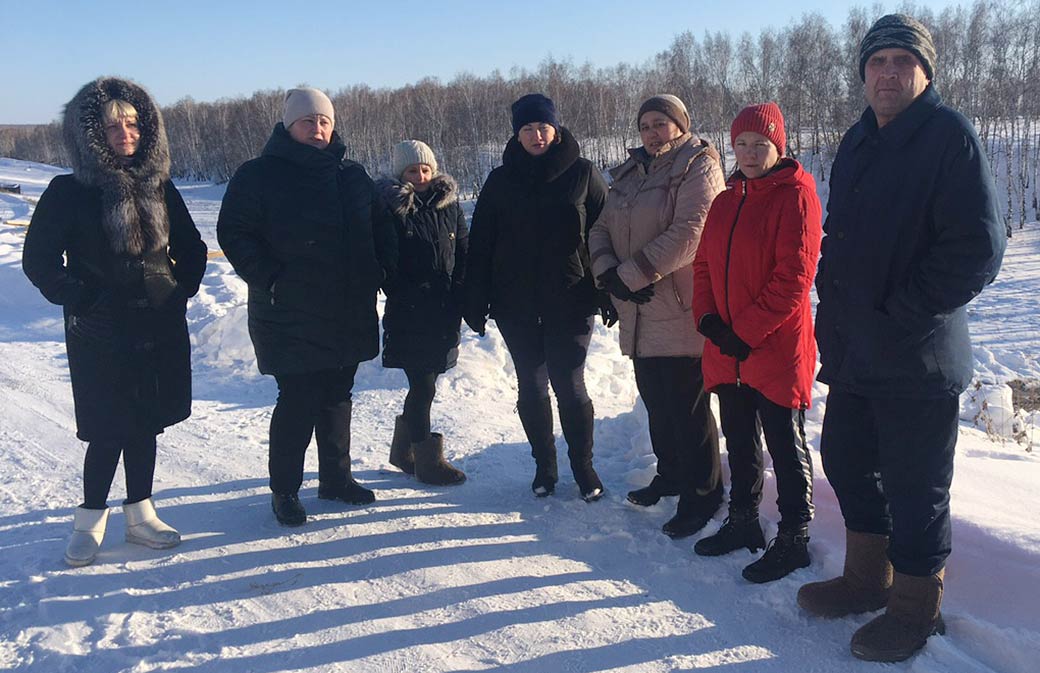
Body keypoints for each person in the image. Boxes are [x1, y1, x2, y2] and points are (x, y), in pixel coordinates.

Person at [797, 15, 1006, 662]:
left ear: (925, 71)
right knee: (848, 462)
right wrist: (833, 316)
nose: (887, 73)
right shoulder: (860, 139)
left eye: (901, 62)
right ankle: (865, 578)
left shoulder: (949, 138)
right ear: (863, 73)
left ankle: (916, 609)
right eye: (877, 62)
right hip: (856, 352)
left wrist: (899, 315)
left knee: (918, 488)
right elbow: (844, 239)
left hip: (918, 355)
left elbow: (976, 249)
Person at [22, 77, 208, 566]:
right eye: (113, 124)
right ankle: (88, 520)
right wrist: (81, 300)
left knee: (147, 423)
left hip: (157, 325)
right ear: (91, 134)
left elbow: (193, 249)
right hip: (100, 328)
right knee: (107, 428)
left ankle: (141, 515)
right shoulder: (68, 191)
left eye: (133, 122)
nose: (125, 131)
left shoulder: (159, 185)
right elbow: (39, 260)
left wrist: (178, 292)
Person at [217, 88, 397, 527]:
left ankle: (336, 479)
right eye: (307, 121)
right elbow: (233, 233)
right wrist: (272, 277)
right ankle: (285, 491)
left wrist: (383, 272)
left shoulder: (352, 176)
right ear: (288, 126)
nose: (317, 129)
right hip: (288, 310)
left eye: (324, 121)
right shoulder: (258, 175)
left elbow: (381, 231)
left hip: (348, 307)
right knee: (297, 400)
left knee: (337, 396)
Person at [691, 102, 822, 582]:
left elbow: (794, 277)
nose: (748, 153)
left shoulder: (797, 195)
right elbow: (703, 263)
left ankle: (795, 538)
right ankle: (743, 520)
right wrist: (707, 317)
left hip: (774, 349)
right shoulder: (726, 199)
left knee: (786, 443)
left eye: (759, 144)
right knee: (740, 439)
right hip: (728, 348)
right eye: (741, 144)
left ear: (777, 146)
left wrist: (744, 332)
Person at [589, 94, 725, 537]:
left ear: (680, 125)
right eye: (645, 125)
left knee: (688, 404)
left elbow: (693, 229)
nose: (652, 132)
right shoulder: (630, 173)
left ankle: (703, 494)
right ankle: (670, 474)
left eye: (660, 123)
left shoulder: (698, 162)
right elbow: (600, 227)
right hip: (640, 307)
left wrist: (633, 272)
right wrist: (608, 271)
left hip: (681, 305)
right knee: (657, 400)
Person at [464, 93, 610, 502]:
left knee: (570, 383)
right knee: (531, 386)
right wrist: (474, 298)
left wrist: (610, 289)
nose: (536, 135)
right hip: (516, 303)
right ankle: (544, 468)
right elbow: (481, 244)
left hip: (572, 298)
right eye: (526, 128)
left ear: (556, 128)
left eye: (542, 126)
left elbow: (607, 232)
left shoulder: (583, 174)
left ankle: (584, 467)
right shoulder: (499, 180)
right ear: (517, 134)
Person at [377, 140, 467, 486]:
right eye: (412, 171)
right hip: (410, 312)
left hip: (444, 310)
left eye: (425, 169)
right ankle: (426, 460)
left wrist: (463, 291)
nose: (421, 175)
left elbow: (464, 249)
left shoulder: (449, 205)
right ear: (402, 175)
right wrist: (401, 289)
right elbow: (385, 258)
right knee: (423, 385)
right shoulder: (392, 208)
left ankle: (404, 451)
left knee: (429, 381)